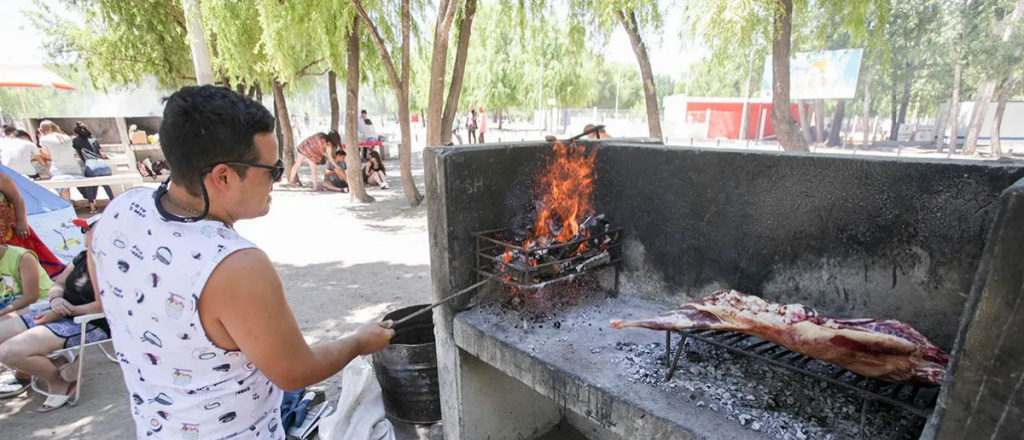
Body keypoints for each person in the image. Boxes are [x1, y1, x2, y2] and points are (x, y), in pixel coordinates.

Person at [89, 85, 394, 439]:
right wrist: (359, 342)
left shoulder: (121, 210)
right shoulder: (233, 265)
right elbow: (294, 371)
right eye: (273, 170)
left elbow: (104, 294)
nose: (277, 180)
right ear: (223, 176)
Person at [0, 246, 107, 411]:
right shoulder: (83, 255)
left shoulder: (118, 263)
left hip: (89, 322)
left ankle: (58, 381)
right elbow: (59, 282)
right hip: (57, 311)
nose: (85, 233)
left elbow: (106, 306)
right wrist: (56, 299)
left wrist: (65, 310)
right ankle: (57, 365)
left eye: (87, 229)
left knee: (7, 352)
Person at [0, 169, 65, 277]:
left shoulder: (1, 178)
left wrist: (22, 222)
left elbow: (17, 198)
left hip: (10, 231)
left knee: (19, 259)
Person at [72, 123, 115, 214]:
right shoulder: (93, 140)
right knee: (105, 184)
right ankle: (113, 201)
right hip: (102, 165)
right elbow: (101, 154)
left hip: (91, 166)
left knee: (89, 184)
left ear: (76, 133)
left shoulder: (76, 141)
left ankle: (92, 207)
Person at [37, 121, 84, 200]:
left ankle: (68, 205)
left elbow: (48, 156)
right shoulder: (66, 137)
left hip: (59, 171)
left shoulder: (44, 139)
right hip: (75, 169)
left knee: (61, 187)